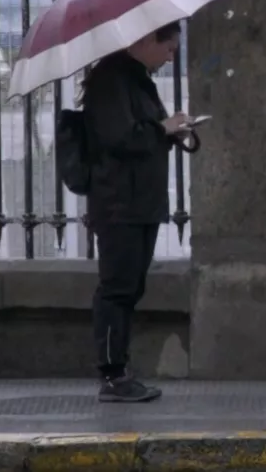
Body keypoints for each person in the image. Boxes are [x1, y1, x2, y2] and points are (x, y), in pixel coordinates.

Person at [80, 23, 190, 403]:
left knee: (130, 287)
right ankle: (112, 375)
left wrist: (170, 132)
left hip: (139, 201)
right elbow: (121, 138)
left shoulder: (137, 79)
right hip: (118, 203)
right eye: (169, 49)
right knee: (117, 289)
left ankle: (120, 371)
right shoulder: (110, 80)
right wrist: (163, 128)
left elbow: (142, 135)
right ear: (144, 39)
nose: (170, 57)